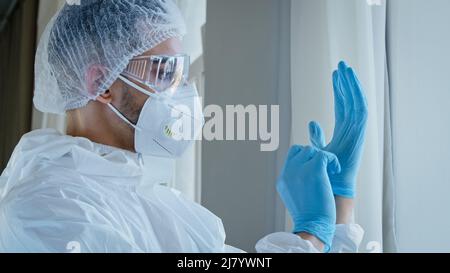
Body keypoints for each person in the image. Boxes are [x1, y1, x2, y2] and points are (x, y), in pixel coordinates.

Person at [0, 0, 368, 253]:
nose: (182, 92)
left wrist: (337, 209)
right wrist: (311, 234)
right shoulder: (45, 206)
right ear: (102, 83)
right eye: (163, 72)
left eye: (180, 71)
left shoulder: (152, 200)